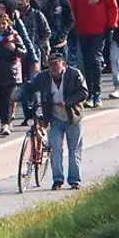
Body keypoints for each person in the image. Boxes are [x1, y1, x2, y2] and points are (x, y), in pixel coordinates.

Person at [28, 50, 88, 190]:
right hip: (55, 118)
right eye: (51, 65)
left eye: (56, 64)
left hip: (73, 117)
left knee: (74, 149)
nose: (53, 67)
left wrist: (67, 102)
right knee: (55, 148)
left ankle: (74, 180)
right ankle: (57, 179)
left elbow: (83, 93)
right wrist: (19, 94)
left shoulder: (74, 74)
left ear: (63, 64)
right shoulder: (43, 77)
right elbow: (30, 86)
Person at [66, 0, 117, 107]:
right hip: (82, 29)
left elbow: (112, 6)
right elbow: (70, 6)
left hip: (99, 29)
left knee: (95, 60)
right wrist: (71, 25)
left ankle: (97, 93)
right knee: (86, 62)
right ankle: (89, 93)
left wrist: (111, 25)